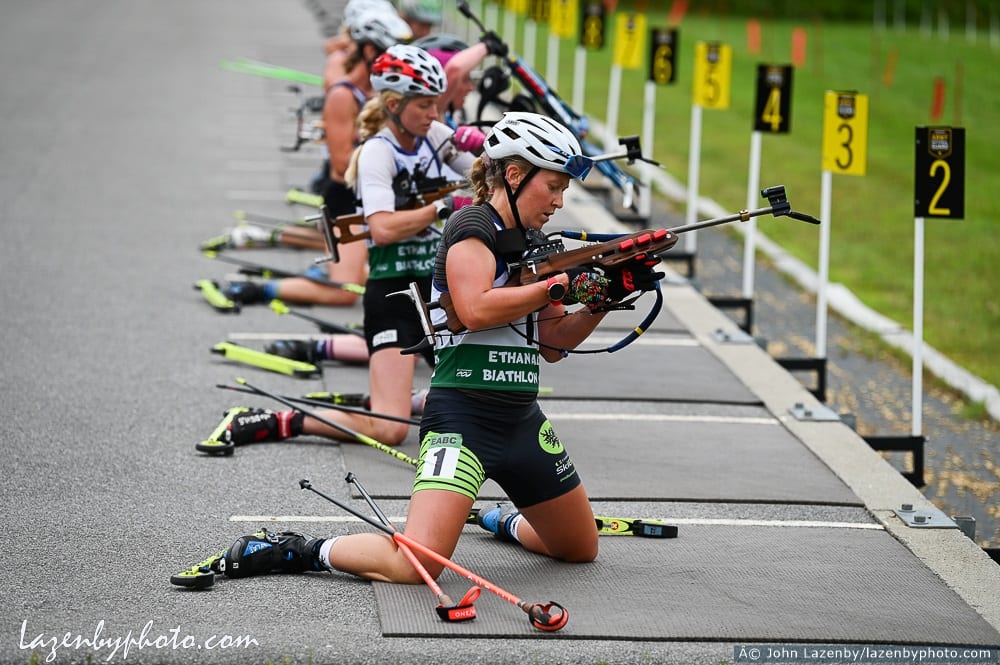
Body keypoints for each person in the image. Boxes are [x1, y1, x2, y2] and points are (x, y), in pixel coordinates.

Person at [212, 112, 664, 588]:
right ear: (514, 175)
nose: (559, 200)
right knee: (418, 565)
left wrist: (603, 299)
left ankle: (498, 520)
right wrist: (561, 285)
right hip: (463, 420)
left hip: (521, 419)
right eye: (552, 186)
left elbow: (552, 344)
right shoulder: (472, 228)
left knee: (578, 549)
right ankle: (292, 549)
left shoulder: (532, 243)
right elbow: (474, 309)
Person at [208, 44, 477, 451]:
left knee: (480, 403)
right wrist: (441, 207)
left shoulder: (435, 136)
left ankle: (409, 401)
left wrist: (489, 147)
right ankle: (283, 421)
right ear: (393, 103)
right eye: (424, 105)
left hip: (438, 291)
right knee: (391, 430)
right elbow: (383, 229)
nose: (435, 114)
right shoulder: (376, 153)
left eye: (435, 104)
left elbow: (487, 179)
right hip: (395, 295)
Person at [205, 9, 411, 332]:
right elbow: (343, 165)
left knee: (372, 273)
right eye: (390, 54)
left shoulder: (376, 95)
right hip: (346, 200)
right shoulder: (344, 95)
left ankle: (320, 269)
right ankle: (256, 289)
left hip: (370, 198)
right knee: (345, 291)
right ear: (371, 51)